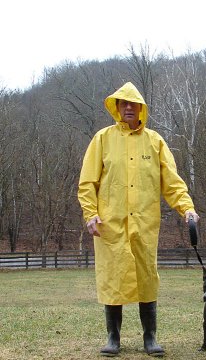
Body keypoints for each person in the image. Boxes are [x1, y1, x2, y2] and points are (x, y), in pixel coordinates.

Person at [78, 82, 199, 357]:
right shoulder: (102, 139)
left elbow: (172, 182)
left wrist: (187, 208)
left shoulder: (154, 141)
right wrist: (90, 213)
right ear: (116, 108)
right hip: (111, 225)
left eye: (133, 104)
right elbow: (87, 182)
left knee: (147, 278)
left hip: (145, 224)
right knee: (113, 279)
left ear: (141, 108)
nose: (128, 107)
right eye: (123, 103)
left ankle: (150, 337)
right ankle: (113, 337)